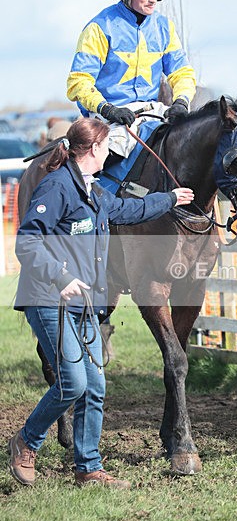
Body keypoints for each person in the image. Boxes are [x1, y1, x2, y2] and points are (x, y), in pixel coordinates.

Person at [8, 118, 194, 488]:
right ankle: (26, 442)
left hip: (85, 304)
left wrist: (171, 198)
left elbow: (128, 211)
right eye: (107, 146)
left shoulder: (93, 190)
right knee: (73, 383)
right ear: (94, 149)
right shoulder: (57, 187)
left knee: (95, 386)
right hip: (49, 299)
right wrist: (61, 277)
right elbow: (27, 242)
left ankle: (88, 468)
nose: (110, 152)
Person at [66, 0, 196, 161]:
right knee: (109, 157)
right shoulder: (99, 28)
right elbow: (78, 83)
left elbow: (182, 72)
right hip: (107, 118)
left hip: (152, 113)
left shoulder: (165, 28)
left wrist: (181, 101)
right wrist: (107, 109)